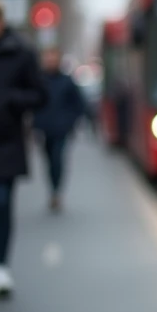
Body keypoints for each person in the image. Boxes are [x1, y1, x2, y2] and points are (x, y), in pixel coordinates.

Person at [0, 0, 48, 299]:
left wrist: (14, 101)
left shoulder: (20, 53)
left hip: (5, 143)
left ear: (0, 21)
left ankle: (1, 266)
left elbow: (40, 95)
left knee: (2, 202)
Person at [33, 48, 91, 212]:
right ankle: (53, 189)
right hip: (44, 130)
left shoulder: (67, 81)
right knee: (49, 161)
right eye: (48, 58)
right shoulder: (39, 80)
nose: (50, 61)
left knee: (58, 160)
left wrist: (70, 122)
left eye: (53, 58)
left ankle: (56, 192)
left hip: (61, 129)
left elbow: (79, 104)